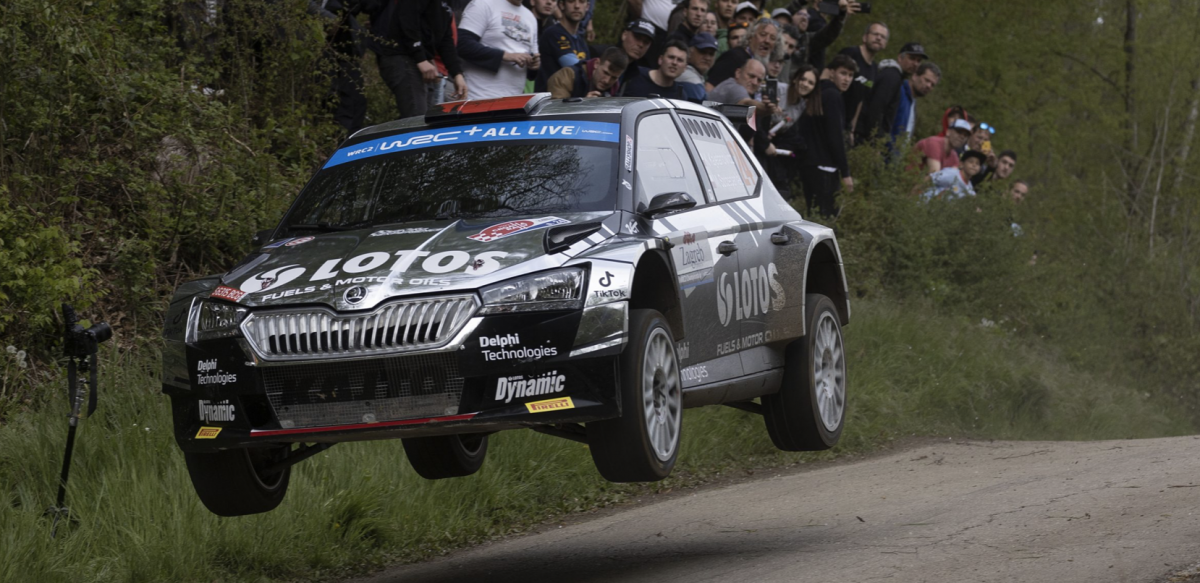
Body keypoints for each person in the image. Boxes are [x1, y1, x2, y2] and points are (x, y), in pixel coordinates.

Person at [370, 0, 468, 119]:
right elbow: (407, 19)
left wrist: (457, 73)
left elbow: (446, 40)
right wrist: (420, 58)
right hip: (401, 57)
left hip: (422, 61)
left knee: (429, 118)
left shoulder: (446, 5)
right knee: (417, 118)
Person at [796, 53, 856, 217]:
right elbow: (835, 136)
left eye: (850, 75)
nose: (847, 79)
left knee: (814, 214)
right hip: (824, 166)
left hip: (811, 164)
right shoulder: (832, 96)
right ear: (832, 72)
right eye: (843, 73)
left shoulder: (820, 92)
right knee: (824, 219)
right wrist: (845, 173)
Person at [457, 0, 539, 100]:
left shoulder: (530, 17)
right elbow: (462, 44)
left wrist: (534, 65)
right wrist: (504, 55)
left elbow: (532, 71)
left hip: (514, 101)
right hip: (478, 97)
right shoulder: (483, 4)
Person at [854, 42, 926, 145]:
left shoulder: (895, 76)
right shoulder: (892, 77)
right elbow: (876, 109)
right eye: (912, 58)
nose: (915, 64)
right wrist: (875, 142)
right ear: (900, 58)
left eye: (918, 61)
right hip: (864, 139)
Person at [837, 21, 888, 143]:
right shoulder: (850, 53)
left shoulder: (874, 69)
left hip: (846, 124)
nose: (878, 38)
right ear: (865, 37)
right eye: (875, 34)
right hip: (832, 113)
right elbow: (828, 76)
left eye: (882, 37)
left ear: (885, 44)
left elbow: (861, 99)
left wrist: (852, 129)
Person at [706, 18, 779, 90]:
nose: (767, 40)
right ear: (750, 37)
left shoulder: (765, 66)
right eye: (763, 35)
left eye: (772, 38)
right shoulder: (734, 57)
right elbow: (709, 87)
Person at [535, 0, 589, 91]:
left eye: (582, 1)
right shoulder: (553, 34)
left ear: (587, 7)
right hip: (550, 98)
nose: (577, 6)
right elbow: (576, 70)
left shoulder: (581, 41)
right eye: (571, 1)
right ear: (562, 5)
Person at [788, 0, 853, 74]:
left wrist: (842, 13)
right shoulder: (781, 33)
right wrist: (800, 1)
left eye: (807, 16)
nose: (805, 18)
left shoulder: (807, 40)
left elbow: (829, 33)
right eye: (801, 14)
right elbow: (784, 14)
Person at [547, 46, 629, 98]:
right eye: (605, 73)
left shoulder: (614, 88)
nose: (607, 81)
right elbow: (555, 113)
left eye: (614, 78)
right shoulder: (568, 76)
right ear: (596, 63)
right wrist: (583, 106)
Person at [889, 61, 940, 143]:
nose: (929, 86)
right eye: (926, 80)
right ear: (915, 76)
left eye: (932, 85)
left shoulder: (913, 102)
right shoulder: (899, 92)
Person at [622, 39, 689, 99]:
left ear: (685, 68)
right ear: (660, 59)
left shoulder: (680, 96)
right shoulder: (634, 74)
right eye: (671, 57)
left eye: (680, 60)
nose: (674, 62)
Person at [625, 0, 673, 66]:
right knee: (624, 58)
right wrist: (639, 19)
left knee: (646, 67)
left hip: (664, 36)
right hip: (642, 24)